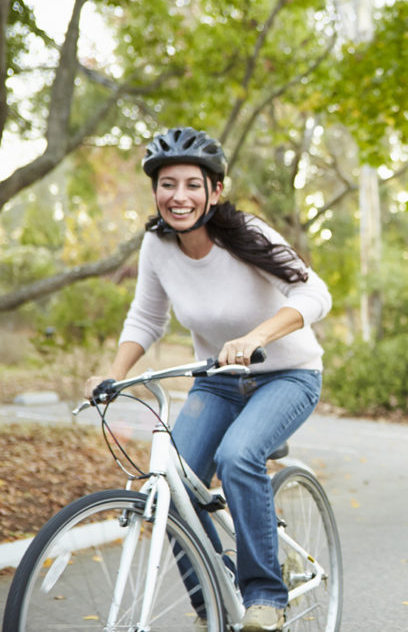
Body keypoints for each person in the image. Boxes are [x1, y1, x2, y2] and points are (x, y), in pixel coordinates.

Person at [85, 127, 332, 632]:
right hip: (217, 381)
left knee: (237, 456)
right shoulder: (157, 247)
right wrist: (112, 375)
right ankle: (213, 604)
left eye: (193, 185)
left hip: (286, 375)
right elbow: (146, 320)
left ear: (215, 191)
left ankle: (265, 593)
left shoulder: (249, 234)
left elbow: (315, 294)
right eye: (167, 184)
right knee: (172, 485)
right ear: (154, 191)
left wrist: (257, 335)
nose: (179, 196)